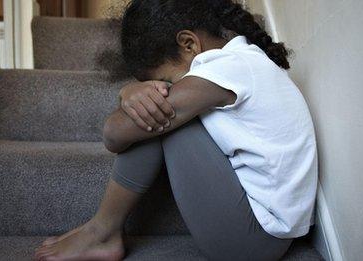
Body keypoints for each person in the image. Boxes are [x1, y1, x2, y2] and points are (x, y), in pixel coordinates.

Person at [34, 0, 318, 260]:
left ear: (188, 44)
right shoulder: (245, 62)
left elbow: (114, 133)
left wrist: (130, 94)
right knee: (160, 110)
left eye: (163, 79)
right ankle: (101, 231)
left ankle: (102, 231)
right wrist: (133, 93)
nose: (159, 88)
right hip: (266, 233)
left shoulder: (228, 68)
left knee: (159, 117)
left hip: (252, 240)